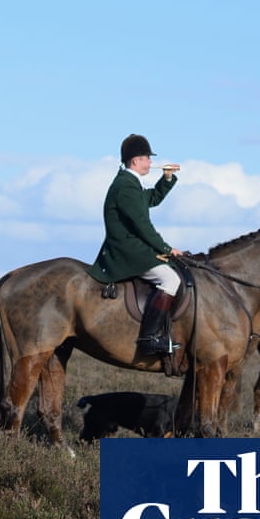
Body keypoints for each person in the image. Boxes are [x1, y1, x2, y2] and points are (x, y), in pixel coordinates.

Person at [87, 134, 182, 356]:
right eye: (147, 158)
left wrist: (167, 179)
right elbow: (142, 225)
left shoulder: (129, 184)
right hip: (126, 250)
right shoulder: (126, 187)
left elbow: (151, 200)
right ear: (135, 161)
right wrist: (167, 249)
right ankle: (149, 338)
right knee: (170, 279)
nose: (150, 163)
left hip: (132, 246)